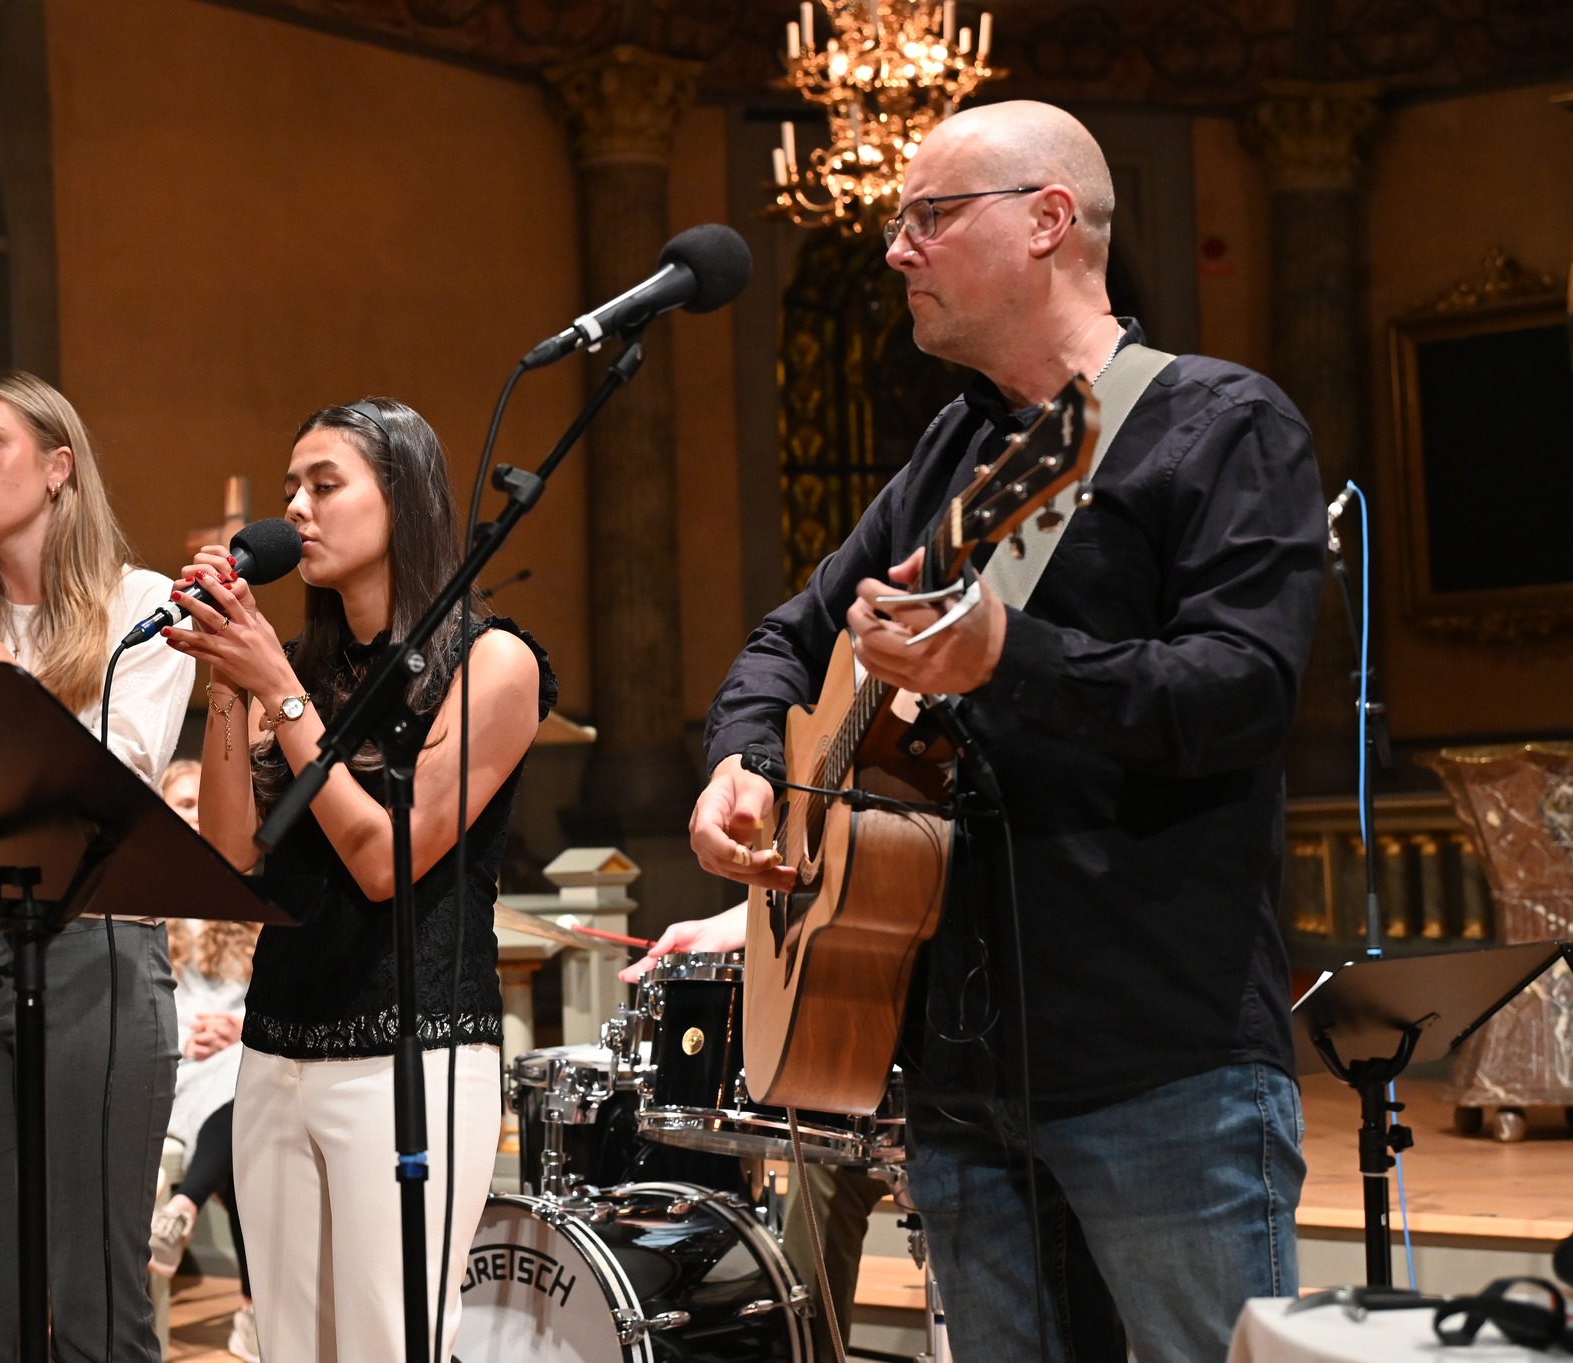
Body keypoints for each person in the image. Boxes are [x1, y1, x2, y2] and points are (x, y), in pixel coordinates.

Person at [633, 101, 1323, 1363]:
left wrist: (1013, 655)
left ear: (1047, 221)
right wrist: (740, 765)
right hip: (952, 1075)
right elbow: (791, 641)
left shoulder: (1221, 425)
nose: (894, 250)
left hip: (1155, 1064)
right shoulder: (955, 449)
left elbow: (1240, 694)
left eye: (926, 218)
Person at [168, 397, 552, 1362]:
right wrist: (226, 678)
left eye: (325, 484)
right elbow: (227, 854)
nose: (296, 506)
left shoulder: (494, 660)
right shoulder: (294, 667)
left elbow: (389, 860)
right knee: (288, 1345)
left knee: (391, 1343)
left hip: (410, 1050)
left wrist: (275, 690)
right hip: (276, 1047)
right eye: (292, 484)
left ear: (407, 500)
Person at [0, 370, 196, 1361]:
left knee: (95, 1303)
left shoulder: (142, 609)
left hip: (97, 952)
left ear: (59, 467)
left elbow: (107, 789)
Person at [146, 758, 262, 1362]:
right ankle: (251, 1311)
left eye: (202, 803)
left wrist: (239, 1024)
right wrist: (181, 1036)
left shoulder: (244, 899)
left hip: (241, 1055)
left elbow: (269, 1000)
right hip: (175, 1061)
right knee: (245, 1117)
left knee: (247, 1093)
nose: (193, 815)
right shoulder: (143, 898)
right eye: (182, 803)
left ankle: (183, 1206)